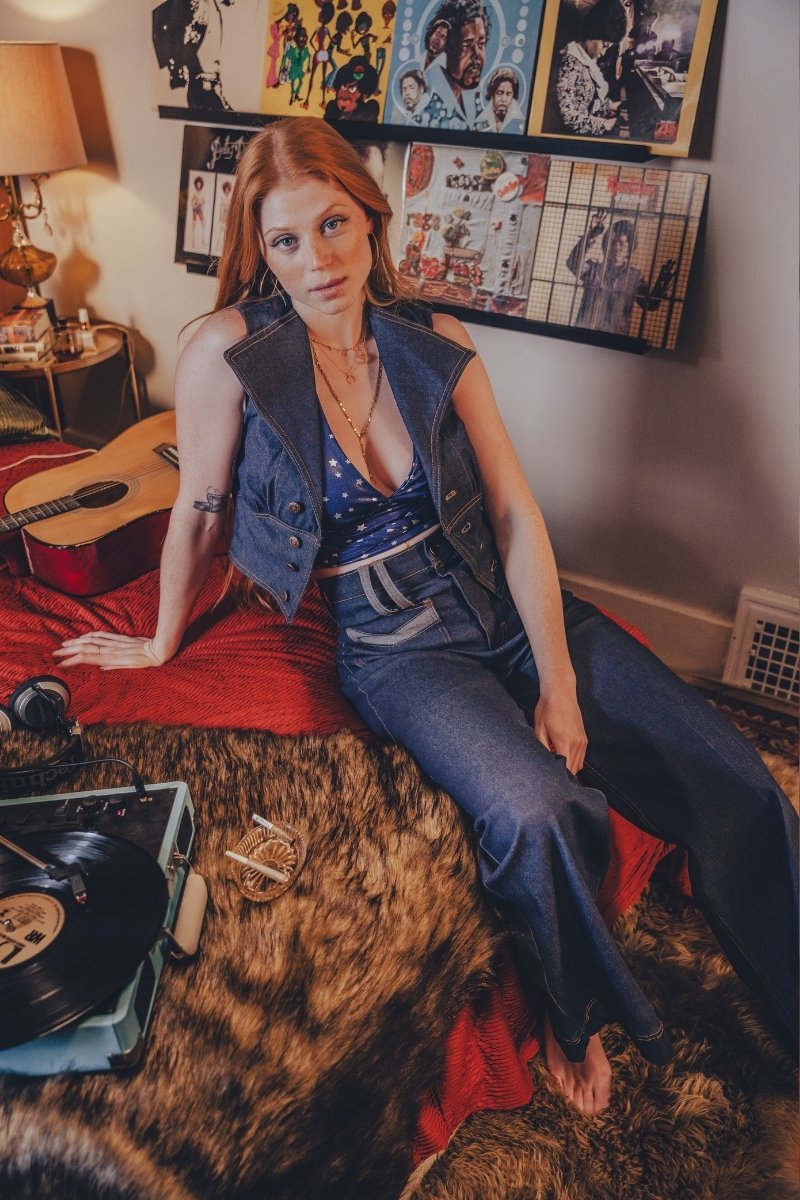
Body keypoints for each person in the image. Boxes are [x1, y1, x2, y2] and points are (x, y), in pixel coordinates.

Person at [55, 118, 798, 1117]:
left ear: (368, 219)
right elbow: (199, 509)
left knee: (734, 774)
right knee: (541, 811)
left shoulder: (434, 343)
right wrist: (157, 638)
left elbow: (512, 512)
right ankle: (572, 1021)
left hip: (501, 595)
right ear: (258, 249)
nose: (316, 261)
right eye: (285, 241)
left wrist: (559, 683)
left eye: (332, 227)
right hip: (395, 646)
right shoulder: (229, 351)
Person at [555, 0, 627, 136]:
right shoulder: (569, 61)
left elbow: (588, 99)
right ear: (593, 34)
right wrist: (604, 124)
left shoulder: (585, 60)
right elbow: (567, 116)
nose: (603, 53)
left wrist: (610, 106)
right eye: (604, 45)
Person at [417, 0, 490, 131]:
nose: (476, 55)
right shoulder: (423, 98)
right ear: (446, 47)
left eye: (481, 44)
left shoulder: (478, 102)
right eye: (466, 45)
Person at [481, 66, 525, 133]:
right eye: (499, 93)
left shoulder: (521, 126)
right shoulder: (479, 124)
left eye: (508, 94)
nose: (504, 99)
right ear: (492, 95)